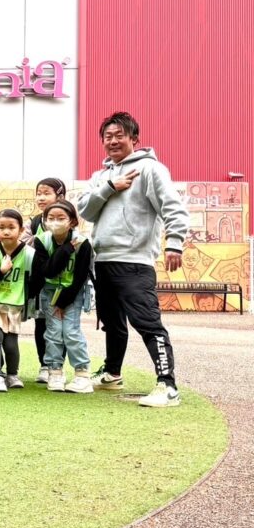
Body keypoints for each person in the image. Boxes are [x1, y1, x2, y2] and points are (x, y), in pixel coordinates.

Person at [78, 111, 188, 408]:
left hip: (135, 261)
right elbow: (85, 210)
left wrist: (174, 243)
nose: (113, 141)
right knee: (113, 323)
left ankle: (168, 385)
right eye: (108, 137)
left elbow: (173, 207)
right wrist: (109, 187)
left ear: (134, 139)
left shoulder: (150, 169)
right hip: (103, 260)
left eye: (119, 136)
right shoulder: (100, 176)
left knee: (147, 323)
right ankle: (112, 374)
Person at [0, 209, 48, 392]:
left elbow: (38, 280)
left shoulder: (30, 254)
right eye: (2, 227)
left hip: (15, 304)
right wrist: (0, 271)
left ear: (20, 230)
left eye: (11, 227)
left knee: (11, 342)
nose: (6, 231)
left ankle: (12, 374)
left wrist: (27, 296)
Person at [35, 201, 93, 394]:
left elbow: (80, 276)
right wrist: (66, 249)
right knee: (53, 333)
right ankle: (55, 372)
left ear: (72, 221)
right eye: (50, 218)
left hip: (72, 294)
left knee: (71, 332)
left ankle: (82, 375)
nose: (55, 222)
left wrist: (64, 301)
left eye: (61, 218)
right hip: (50, 293)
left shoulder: (83, 243)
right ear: (44, 221)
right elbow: (47, 271)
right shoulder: (41, 240)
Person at [27, 177, 67, 383]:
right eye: (38, 193)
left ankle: (57, 366)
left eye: (46, 193)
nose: (41, 198)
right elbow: (23, 243)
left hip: (64, 284)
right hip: (41, 283)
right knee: (41, 324)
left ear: (60, 196)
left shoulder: (70, 220)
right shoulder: (35, 222)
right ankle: (44, 365)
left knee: (62, 326)